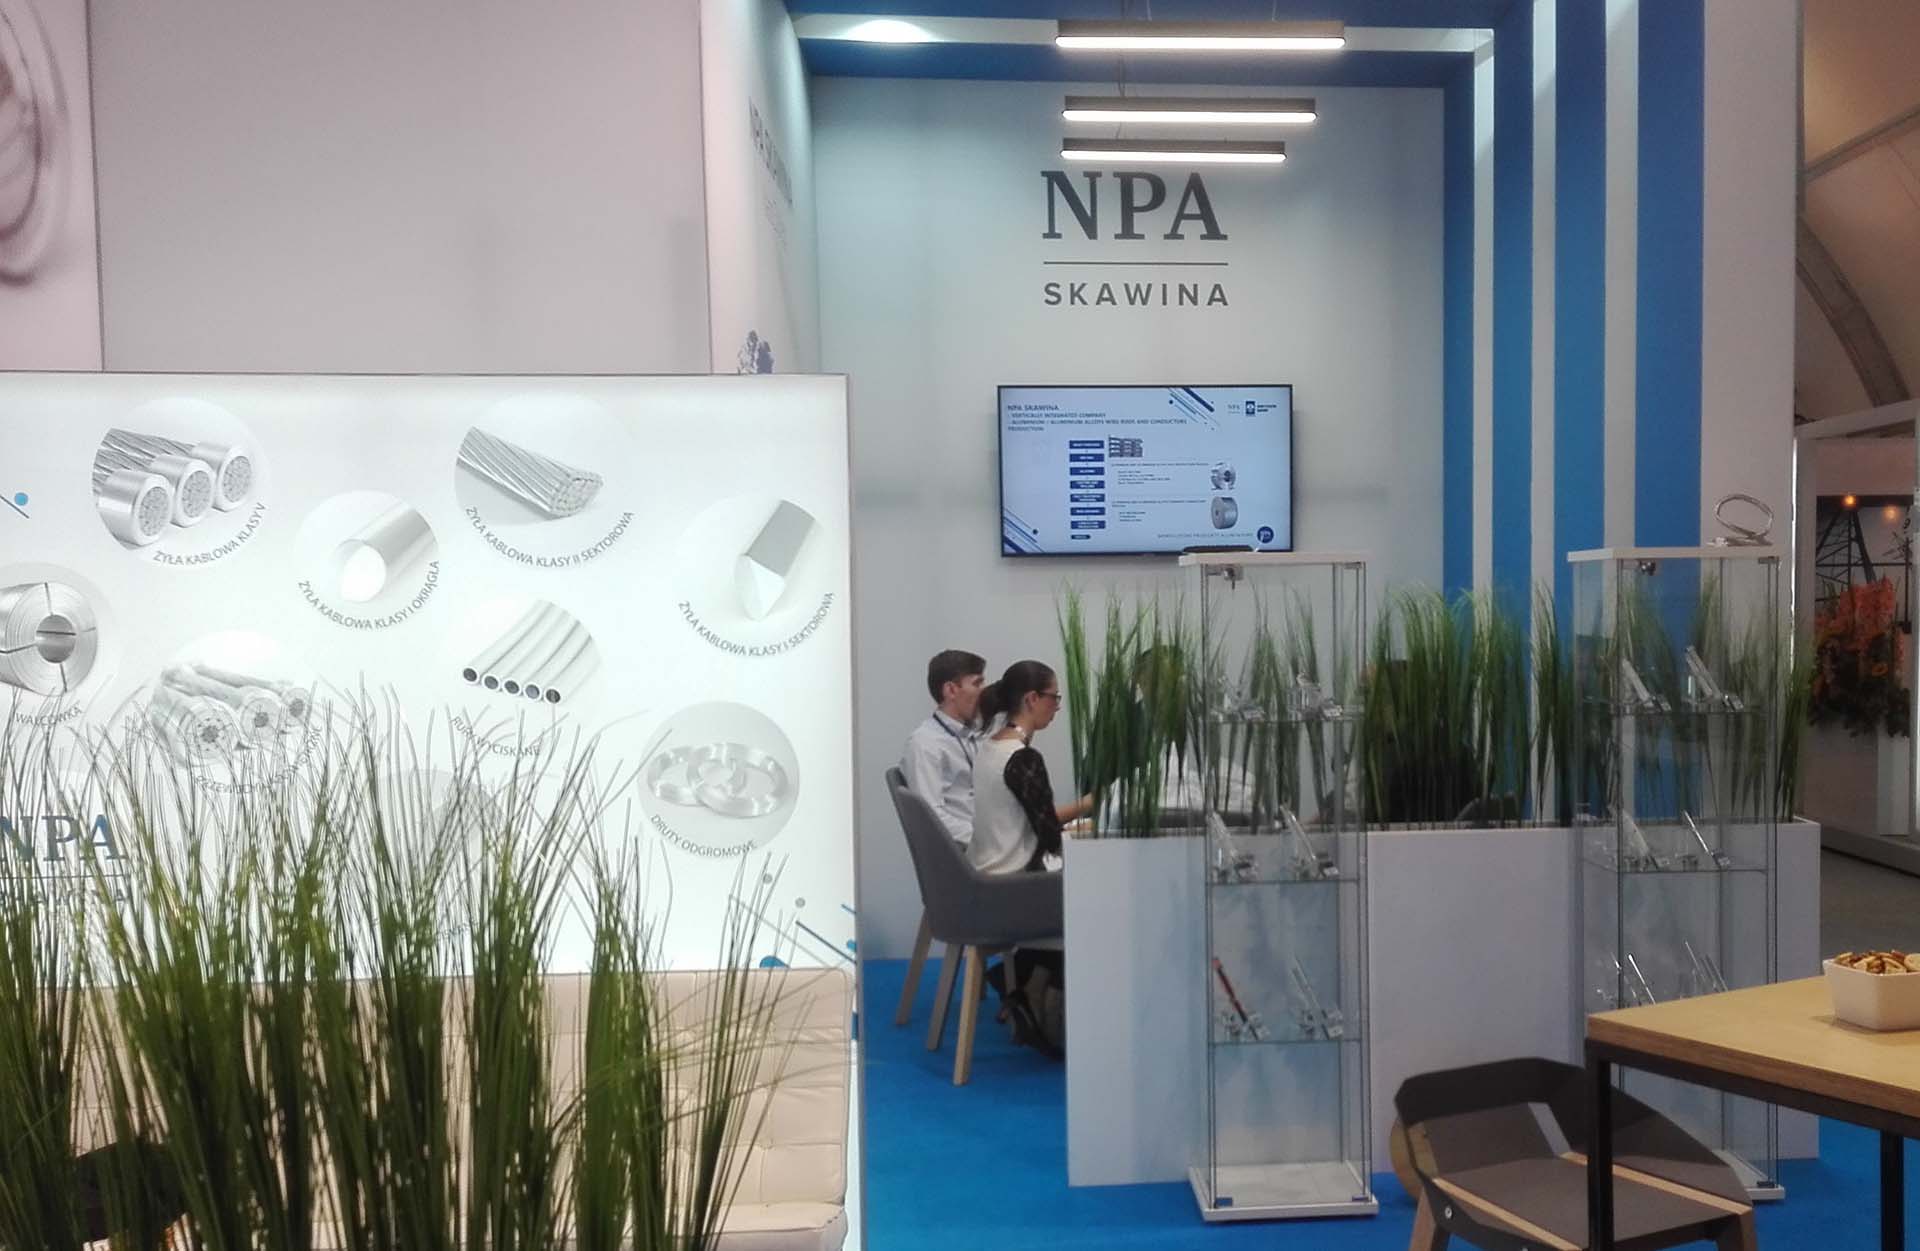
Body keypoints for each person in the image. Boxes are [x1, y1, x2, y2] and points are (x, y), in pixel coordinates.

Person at [971, 660, 1093, 1057]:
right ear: (1031, 699)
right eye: (1054, 697)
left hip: (989, 879)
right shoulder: (1024, 759)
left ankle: (1023, 981)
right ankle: (1040, 994)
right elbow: (1048, 836)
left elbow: (1029, 822)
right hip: (1018, 887)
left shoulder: (988, 748)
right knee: (1095, 898)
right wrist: (1089, 813)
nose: (1057, 706)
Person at [900, 649, 987, 846]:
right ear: (951, 690)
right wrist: (988, 840)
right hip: (970, 851)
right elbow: (931, 817)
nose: (984, 691)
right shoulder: (925, 744)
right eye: (977, 683)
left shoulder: (973, 735)